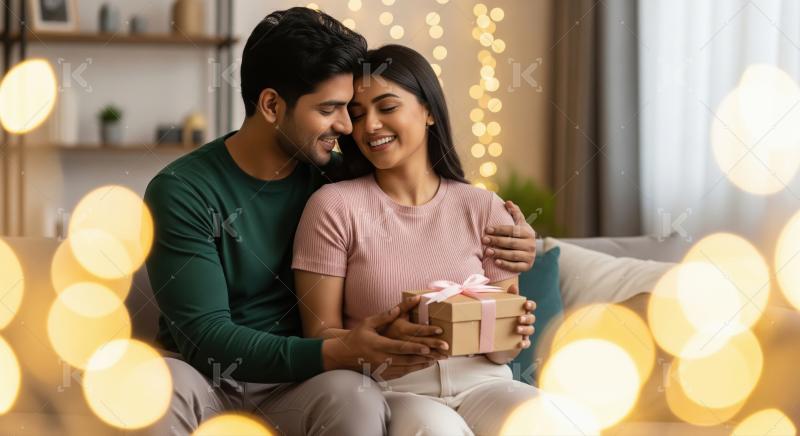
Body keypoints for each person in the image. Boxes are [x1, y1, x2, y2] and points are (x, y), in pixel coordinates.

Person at [143, 8, 537, 435]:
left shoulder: (336, 177)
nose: (349, 126)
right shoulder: (182, 190)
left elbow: (423, 212)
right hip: (207, 378)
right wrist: (338, 350)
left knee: (355, 396)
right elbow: (206, 337)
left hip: (299, 386)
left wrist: (523, 240)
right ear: (272, 105)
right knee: (159, 384)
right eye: (331, 108)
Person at [292, 44, 539, 436]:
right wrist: (383, 339)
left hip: (488, 383)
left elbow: (501, 350)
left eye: (386, 107)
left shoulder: (483, 207)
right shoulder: (333, 207)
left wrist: (515, 332)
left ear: (427, 110)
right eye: (357, 115)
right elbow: (320, 337)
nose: (369, 125)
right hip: (396, 390)